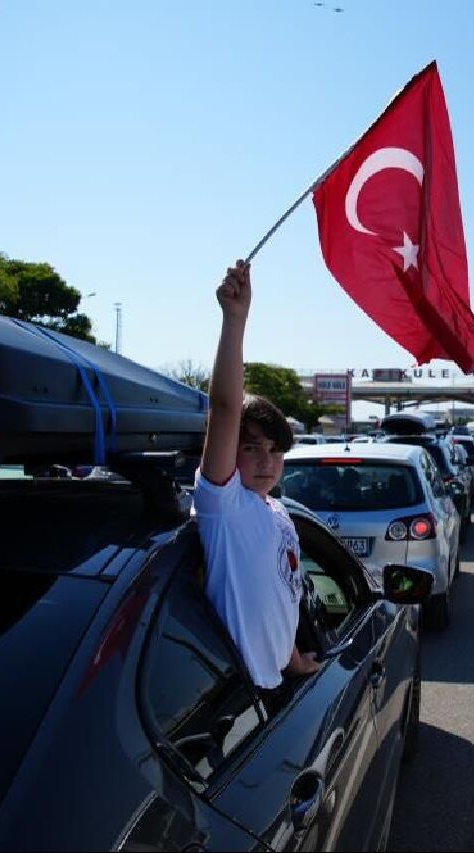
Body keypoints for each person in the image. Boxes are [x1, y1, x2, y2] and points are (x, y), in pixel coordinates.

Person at [193, 259, 319, 711]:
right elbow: (226, 407)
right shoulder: (224, 507)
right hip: (238, 702)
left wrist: (296, 662)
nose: (266, 461)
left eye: (275, 449)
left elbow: (277, 596)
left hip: (277, 686)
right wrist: (235, 320)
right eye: (251, 448)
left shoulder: (277, 512)